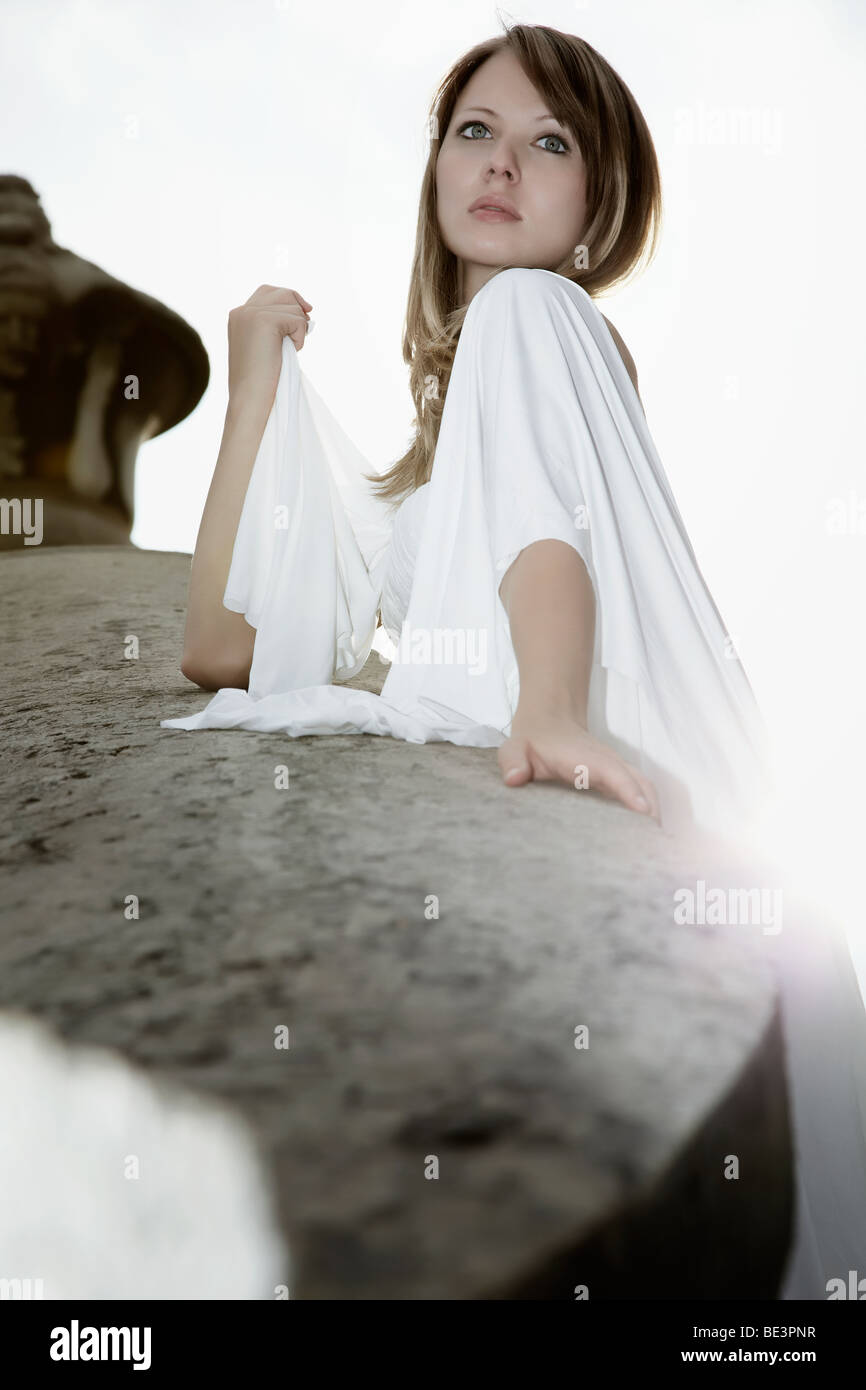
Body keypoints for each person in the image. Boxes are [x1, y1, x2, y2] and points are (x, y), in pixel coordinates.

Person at [162, 22, 866, 1297]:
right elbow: (221, 645)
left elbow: (546, 528)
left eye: (550, 144)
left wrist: (545, 706)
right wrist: (250, 377)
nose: (501, 165)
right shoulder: (427, 483)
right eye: (475, 133)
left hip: (608, 764)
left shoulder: (538, 315)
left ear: (593, 212)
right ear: (436, 172)